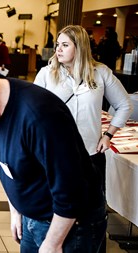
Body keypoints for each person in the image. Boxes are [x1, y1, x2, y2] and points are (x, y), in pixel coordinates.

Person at [0, 63, 107, 252]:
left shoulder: (40, 116)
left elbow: (71, 189)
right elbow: (6, 167)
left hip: (69, 225)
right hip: (33, 217)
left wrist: (53, 242)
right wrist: (16, 210)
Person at [35, 25, 132, 194]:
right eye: (58, 44)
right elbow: (32, 111)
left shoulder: (101, 72)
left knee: (90, 210)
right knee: (56, 209)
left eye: (65, 45)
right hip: (54, 152)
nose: (58, 49)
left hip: (90, 153)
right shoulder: (46, 73)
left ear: (79, 46)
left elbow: (124, 105)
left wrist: (108, 135)